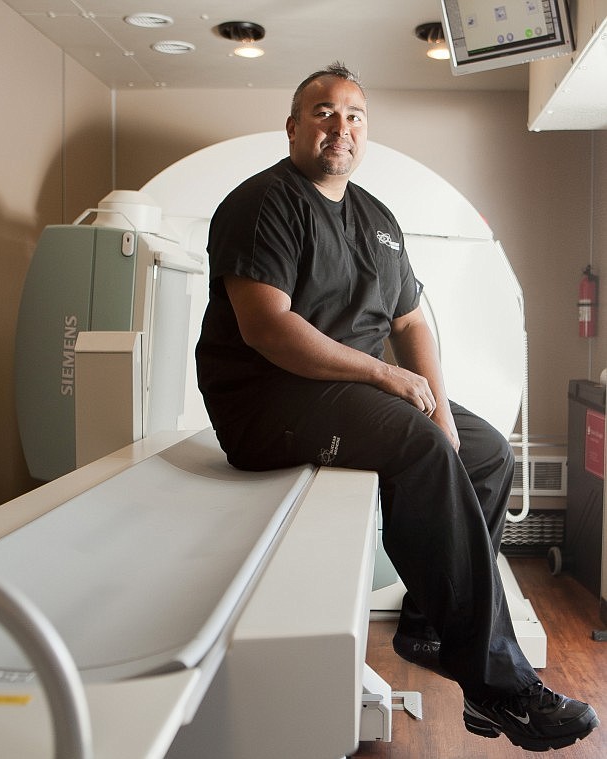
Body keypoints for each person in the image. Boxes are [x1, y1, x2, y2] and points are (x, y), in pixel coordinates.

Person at [195, 62, 599, 752]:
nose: (339, 126)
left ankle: (429, 624)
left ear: (364, 132)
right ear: (293, 127)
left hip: (346, 393)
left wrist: (436, 402)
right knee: (418, 442)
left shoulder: (375, 218)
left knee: (486, 451)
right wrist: (387, 380)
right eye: (322, 112)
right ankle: (497, 685)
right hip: (267, 400)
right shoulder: (262, 203)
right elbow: (267, 327)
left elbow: (411, 321)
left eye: (352, 115)